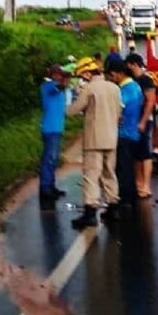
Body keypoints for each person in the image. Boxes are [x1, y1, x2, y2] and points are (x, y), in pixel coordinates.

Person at [67, 58, 123, 229]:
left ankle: (90, 212)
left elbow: (72, 111)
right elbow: (120, 110)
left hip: (94, 139)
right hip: (111, 137)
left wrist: (73, 96)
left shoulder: (89, 88)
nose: (82, 78)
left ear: (87, 73)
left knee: (91, 175)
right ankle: (113, 208)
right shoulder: (114, 88)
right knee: (109, 172)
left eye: (83, 75)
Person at [107, 59, 144, 206]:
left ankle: (125, 198)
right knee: (128, 166)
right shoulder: (136, 86)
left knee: (123, 168)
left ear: (120, 73)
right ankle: (132, 195)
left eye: (112, 75)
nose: (110, 78)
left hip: (124, 134)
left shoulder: (124, 90)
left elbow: (118, 110)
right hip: (133, 132)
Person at [125, 53, 156, 199]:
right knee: (136, 154)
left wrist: (143, 121)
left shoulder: (146, 80)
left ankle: (146, 185)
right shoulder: (131, 81)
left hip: (144, 120)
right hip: (132, 121)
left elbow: (150, 101)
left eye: (129, 65)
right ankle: (139, 183)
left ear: (134, 64)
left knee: (145, 153)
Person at [39, 64, 71, 201]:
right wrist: (66, 79)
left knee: (53, 159)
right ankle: (45, 187)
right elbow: (59, 86)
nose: (60, 77)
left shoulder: (59, 90)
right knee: (49, 158)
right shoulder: (48, 86)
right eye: (57, 74)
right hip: (50, 128)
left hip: (57, 128)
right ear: (52, 75)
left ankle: (50, 185)